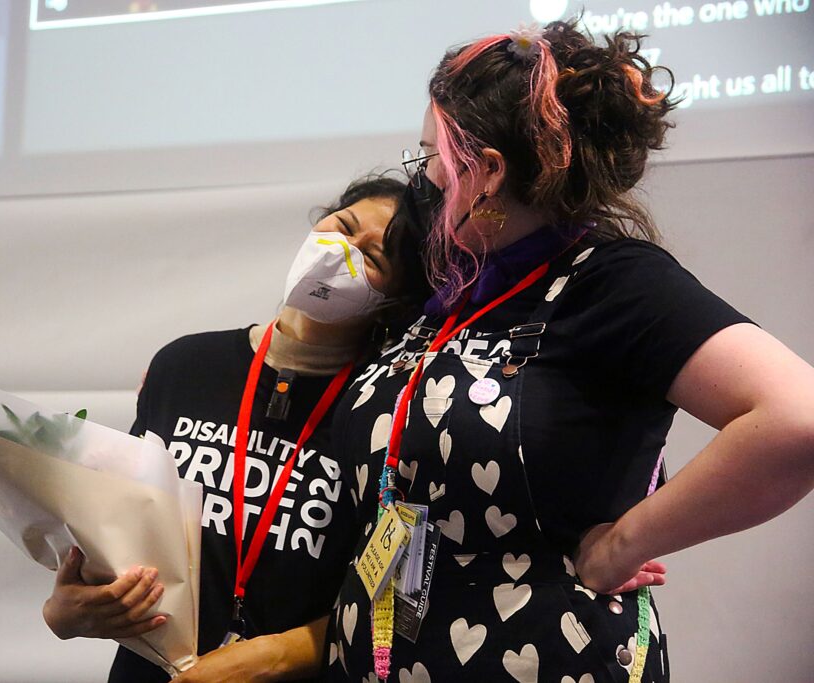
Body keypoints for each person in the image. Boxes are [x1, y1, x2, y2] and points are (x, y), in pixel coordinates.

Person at [325, 21, 814, 682]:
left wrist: (623, 545)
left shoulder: (609, 281)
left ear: (488, 171)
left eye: (432, 155)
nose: (426, 177)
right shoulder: (460, 280)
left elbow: (797, 418)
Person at [41, 174, 431, 682]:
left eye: (374, 258)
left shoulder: (387, 410)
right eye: (343, 226)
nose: (343, 250)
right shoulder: (186, 365)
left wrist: (282, 654)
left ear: (395, 300)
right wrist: (69, 607)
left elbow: (396, 604)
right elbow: (124, 529)